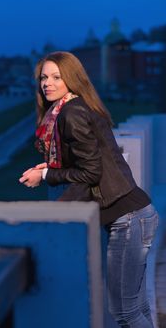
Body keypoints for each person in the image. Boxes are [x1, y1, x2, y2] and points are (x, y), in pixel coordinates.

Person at [19, 51, 158, 327]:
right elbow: (87, 162)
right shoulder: (75, 107)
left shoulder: (72, 113)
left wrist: (47, 175)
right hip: (136, 214)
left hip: (127, 220)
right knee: (137, 307)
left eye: (56, 77)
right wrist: (47, 169)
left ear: (72, 79)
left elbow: (90, 172)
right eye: (43, 77)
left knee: (126, 313)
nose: (47, 83)